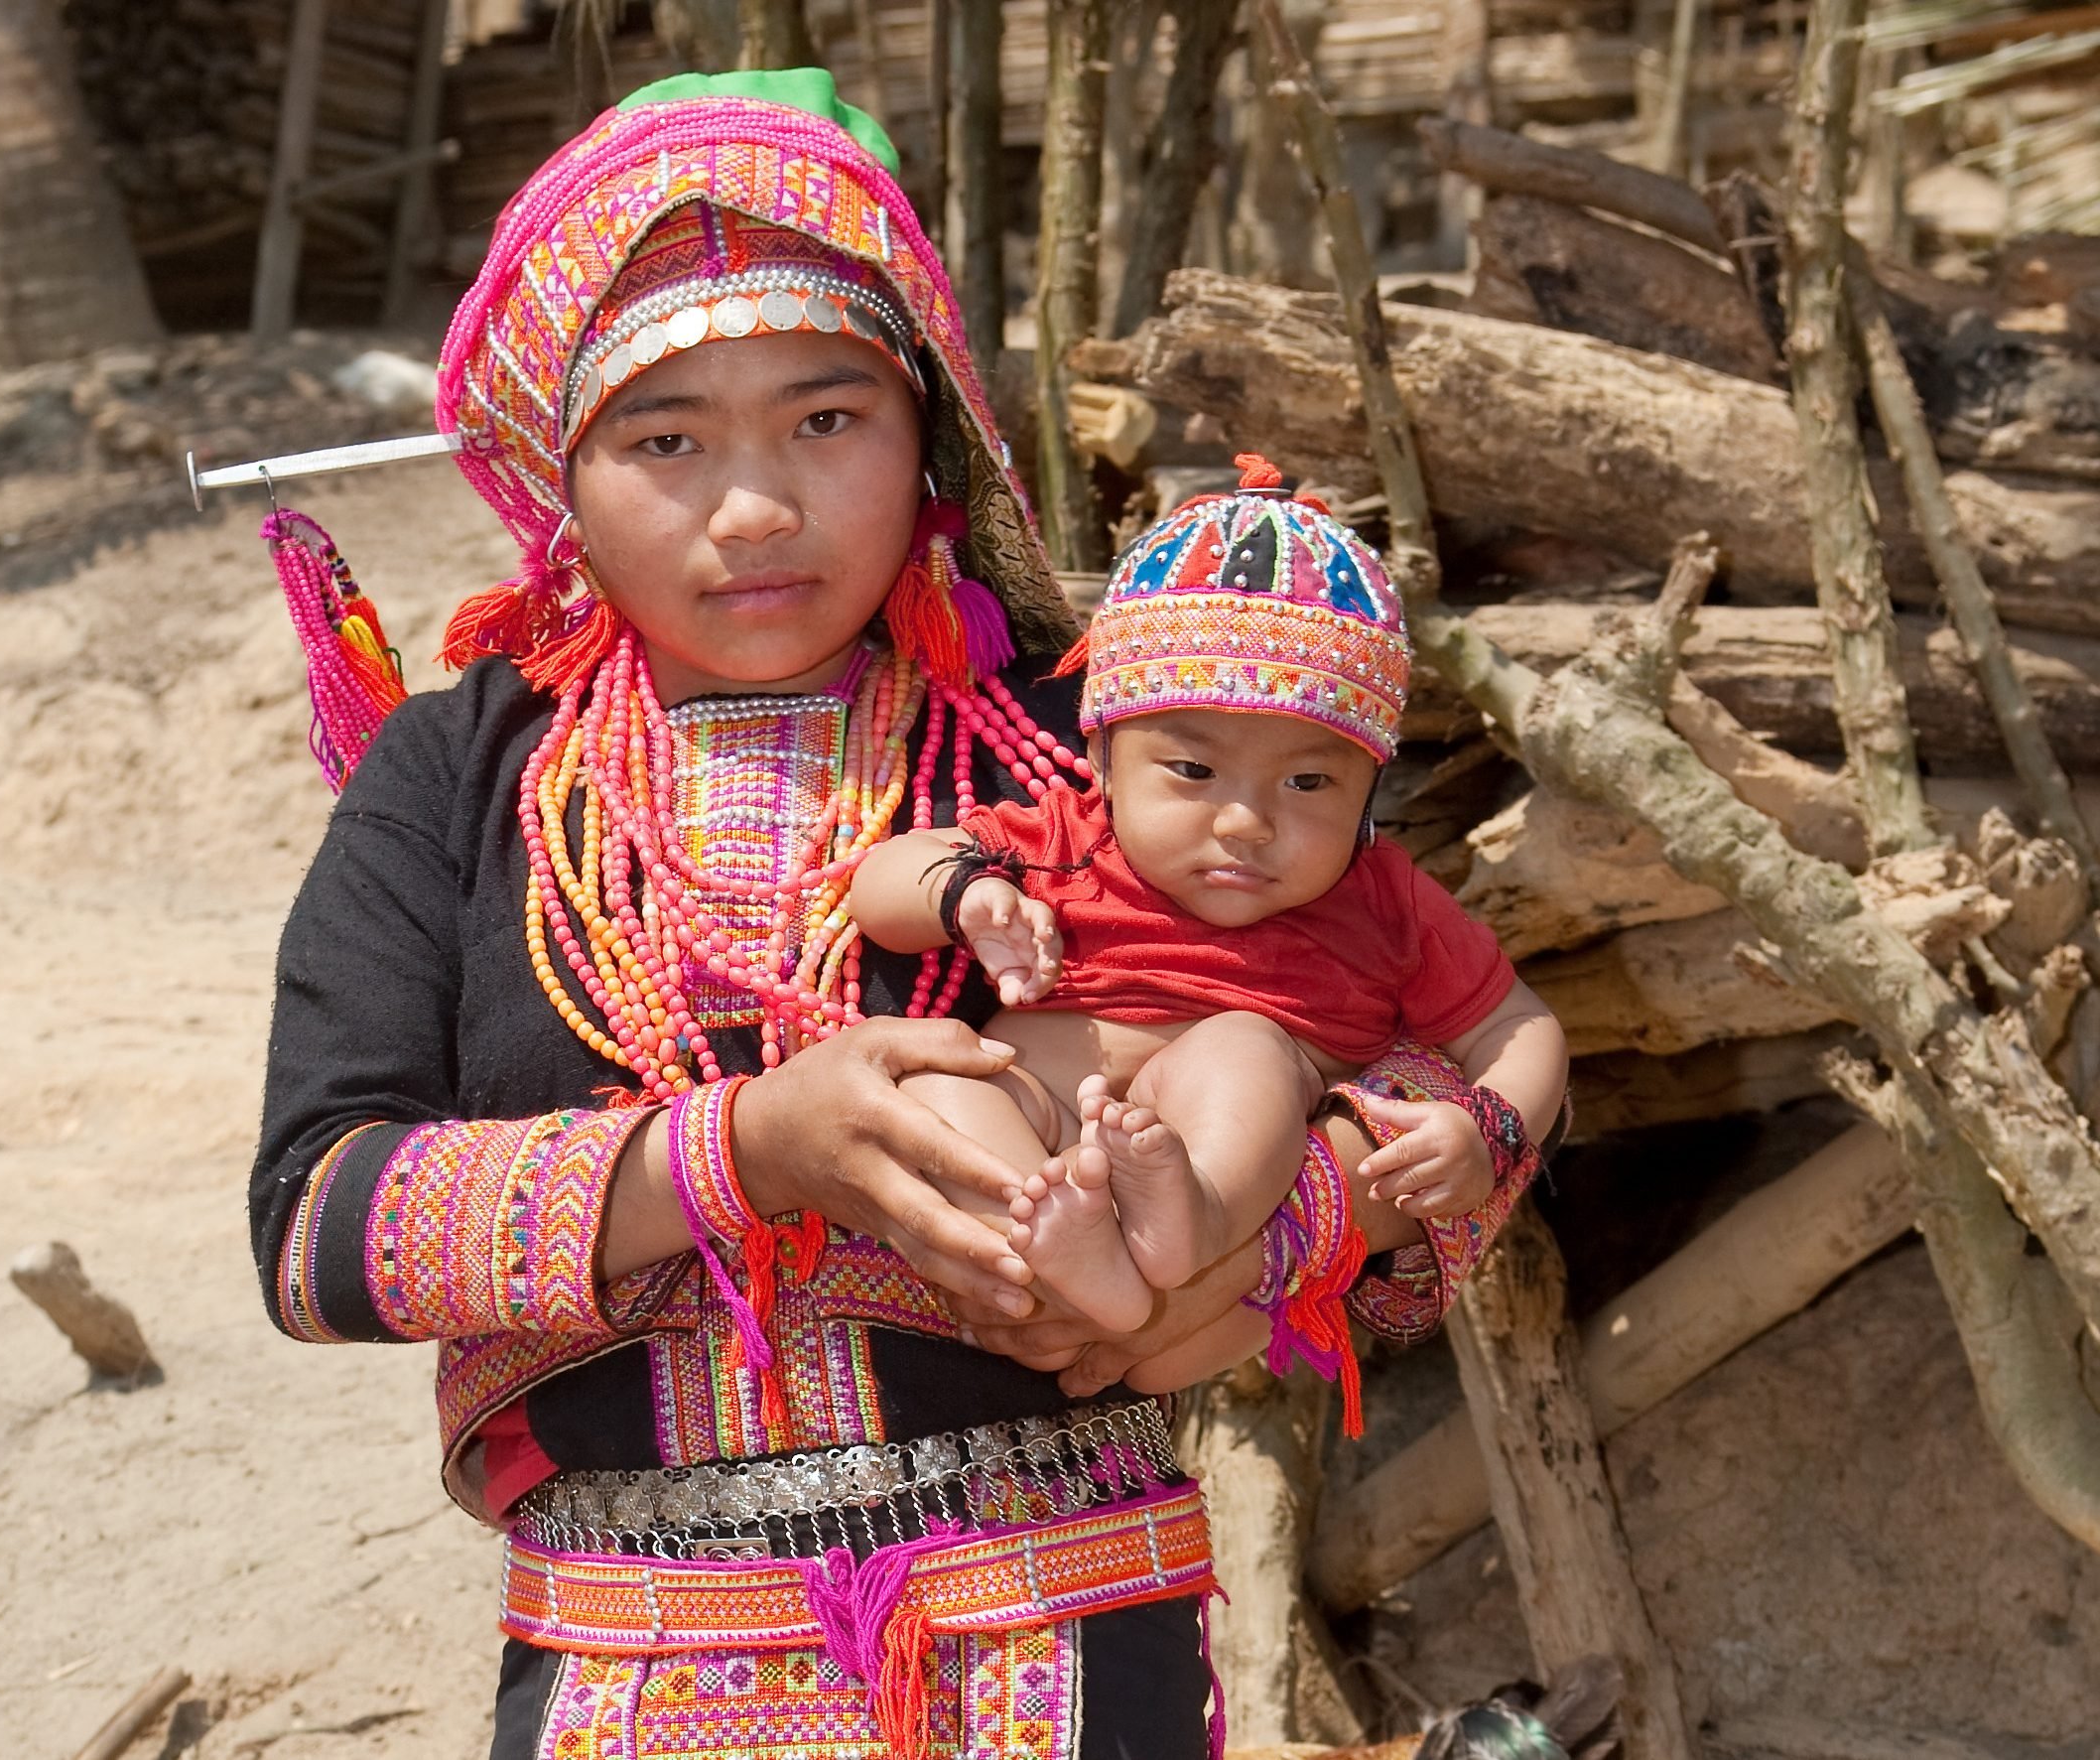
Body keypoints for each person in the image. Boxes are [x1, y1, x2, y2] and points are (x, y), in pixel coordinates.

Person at [245, 71, 1541, 1760]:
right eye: (664, 437)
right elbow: (318, 1229)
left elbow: (1403, 1055)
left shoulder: (1087, 745)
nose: (756, 505)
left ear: (928, 425)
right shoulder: (459, 774)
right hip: (630, 1652)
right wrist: (742, 1151)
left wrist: (1279, 1226)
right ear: (557, 467)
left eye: (826, 417)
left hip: (1065, 1616)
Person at [847, 462, 1569, 1344]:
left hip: (1221, 1179)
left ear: (1370, 791)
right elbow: (881, 887)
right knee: (942, 1084)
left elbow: (1519, 1029)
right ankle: (1039, 1257)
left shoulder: (1384, 899)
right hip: (1045, 1129)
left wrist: (1487, 1130)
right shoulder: (1070, 834)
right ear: (1104, 757)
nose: (1246, 821)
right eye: (1192, 771)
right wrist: (965, 894)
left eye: (1308, 782)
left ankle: (1190, 1221)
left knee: (1242, 1048)